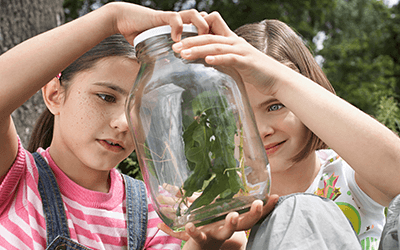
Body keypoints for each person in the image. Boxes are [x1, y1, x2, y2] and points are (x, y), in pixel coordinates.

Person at [0, 2, 279, 249]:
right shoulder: (17, 178)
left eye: (142, 108)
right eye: (106, 97)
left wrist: (205, 245)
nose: (123, 122)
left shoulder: (155, 211)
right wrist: (111, 18)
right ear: (53, 94)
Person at [169, 13, 400, 249]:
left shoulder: (349, 176)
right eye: (239, 115)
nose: (260, 131)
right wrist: (207, 243)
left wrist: (277, 81)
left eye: (275, 105)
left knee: (301, 209)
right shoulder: (231, 206)